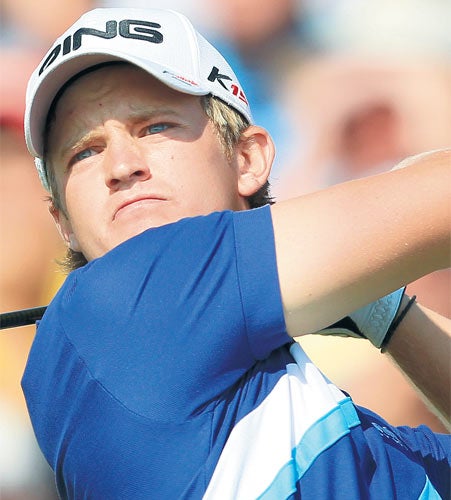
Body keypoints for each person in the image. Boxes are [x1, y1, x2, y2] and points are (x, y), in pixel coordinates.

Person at [21, 7, 450, 499]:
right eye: (84, 152)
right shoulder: (119, 304)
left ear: (247, 159)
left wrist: (387, 314)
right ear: (64, 223)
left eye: (154, 128)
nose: (120, 165)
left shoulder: (335, 428)